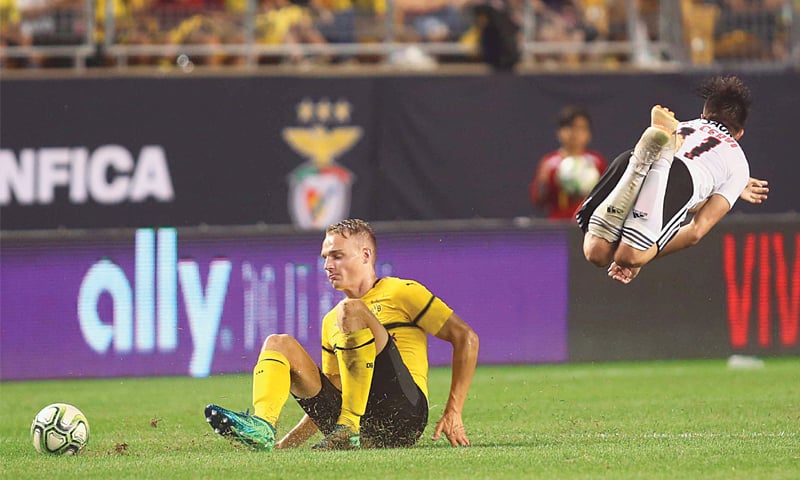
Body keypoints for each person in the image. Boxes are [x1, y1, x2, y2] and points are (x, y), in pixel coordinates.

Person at [205, 218, 479, 450]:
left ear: (365, 255)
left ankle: (348, 427)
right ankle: (264, 426)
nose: (327, 265)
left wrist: (453, 411)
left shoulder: (401, 292)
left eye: (337, 255)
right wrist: (285, 446)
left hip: (403, 417)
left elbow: (466, 338)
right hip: (364, 429)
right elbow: (333, 389)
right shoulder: (331, 321)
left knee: (351, 311)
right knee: (278, 343)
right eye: (325, 257)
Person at [576, 75, 769, 284]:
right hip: (679, 178)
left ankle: (640, 165)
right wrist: (643, 257)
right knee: (628, 256)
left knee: (596, 252)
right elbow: (696, 231)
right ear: (739, 133)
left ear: (703, 116)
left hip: (627, 159)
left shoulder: (683, 126)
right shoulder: (739, 164)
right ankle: (661, 161)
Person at [530, 105, 607, 220]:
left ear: (588, 134)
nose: (574, 133)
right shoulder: (549, 163)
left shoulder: (597, 162)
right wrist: (544, 183)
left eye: (581, 128)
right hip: (559, 226)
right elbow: (538, 200)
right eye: (569, 127)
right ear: (559, 132)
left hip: (589, 225)